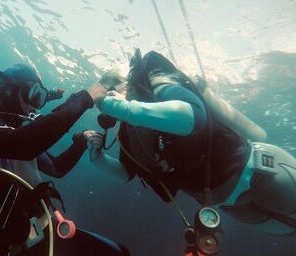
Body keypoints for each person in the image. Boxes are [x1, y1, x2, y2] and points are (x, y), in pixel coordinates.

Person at [0, 63, 131, 256]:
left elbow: (56, 167)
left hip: (46, 234)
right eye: (34, 94)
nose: (35, 106)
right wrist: (86, 97)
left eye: (41, 98)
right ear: (9, 89)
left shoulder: (14, 132)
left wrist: (80, 142)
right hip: (15, 253)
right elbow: (22, 144)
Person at [85, 50, 296, 238]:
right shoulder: (128, 131)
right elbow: (126, 172)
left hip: (262, 173)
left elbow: (194, 117)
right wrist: (98, 158)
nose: (106, 99)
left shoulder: (160, 88)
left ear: (126, 85)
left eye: (110, 90)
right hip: (228, 204)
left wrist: (118, 107)